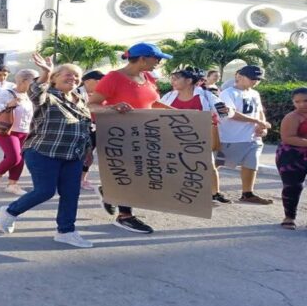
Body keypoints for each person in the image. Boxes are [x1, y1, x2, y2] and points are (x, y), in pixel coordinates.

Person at [0, 55, 94, 248]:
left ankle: (66, 231)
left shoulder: (80, 99)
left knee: (71, 193)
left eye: (77, 77)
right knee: (45, 191)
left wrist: (88, 151)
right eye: (68, 75)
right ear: (55, 78)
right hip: (43, 151)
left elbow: (85, 126)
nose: (73, 79)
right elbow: (35, 92)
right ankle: (10, 211)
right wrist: (45, 72)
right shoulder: (47, 95)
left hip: (73, 154)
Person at [87, 42, 174, 234]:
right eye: (157, 59)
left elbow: (153, 102)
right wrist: (113, 107)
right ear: (142, 59)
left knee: (143, 174)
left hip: (145, 133)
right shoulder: (113, 78)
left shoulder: (148, 77)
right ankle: (124, 216)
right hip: (119, 135)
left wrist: (181, 114)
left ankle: (109, 192)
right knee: (131, 175)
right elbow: (91, 105)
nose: (159, 62)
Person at [159, 67, 232, 204]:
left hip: (199, 139)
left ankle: (214, 194)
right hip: (173, 138)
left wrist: (223, 112)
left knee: (209, 165)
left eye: (177, 78)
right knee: (174, 165)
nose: (173, 81)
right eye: (172, 78)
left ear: (189, 80)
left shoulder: (206, 95)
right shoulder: (169, 96)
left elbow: (225, 112)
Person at [217, 65, 273, 205]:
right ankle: (210, 190)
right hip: (230, 137)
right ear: (239, 76)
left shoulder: (255, 94)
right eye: (252, 78)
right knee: (216, 164)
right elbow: (229, 113)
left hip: (252, 137)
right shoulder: (227, 93)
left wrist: (262, 126)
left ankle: (248, 193)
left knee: (251, 163)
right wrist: (256, 121)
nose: (255, 81)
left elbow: (259, 112)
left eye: (258, 79)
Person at [0, 69, 37, 195]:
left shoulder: (30, 96)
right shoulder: (7, 93)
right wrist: (7, 105)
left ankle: (13, 184)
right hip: (7, 131)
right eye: (35, 81)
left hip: (24, 131)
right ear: (24, 81)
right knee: (14, 157)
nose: (38, 85)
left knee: (20, 159)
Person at [276, 87, 307, 229]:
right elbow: (288, 138)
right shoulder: (292, 117)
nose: (301, 104)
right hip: (291, 155)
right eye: (297, 101)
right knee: (293, 187)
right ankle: (289, 217)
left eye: (305, 101)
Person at [77, 70, 105, 191]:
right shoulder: (76, 92)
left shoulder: (100, 94)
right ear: (87, 81)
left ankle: (83, 179)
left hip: (95, 127)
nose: (101, 84)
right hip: (80, 127)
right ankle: (76, 179)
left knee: (89, 154)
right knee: (80, 154)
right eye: (99, 81)